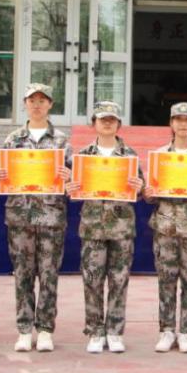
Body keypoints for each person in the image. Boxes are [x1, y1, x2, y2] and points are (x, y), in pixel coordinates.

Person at [0, 83, 72, 353]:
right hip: (21, 217)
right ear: (25, 104)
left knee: (49, 275)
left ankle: (46, 330)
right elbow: (2, 175)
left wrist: (69, 176)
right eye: (32, 100)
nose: (37, 105)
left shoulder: (61, 141)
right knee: (23, 275)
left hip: (51, 217)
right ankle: (25, 329)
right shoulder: (13, 139)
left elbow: (75, 181)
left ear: (50, 104)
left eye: (42, 100)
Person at [66, 101, 144, 354]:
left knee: (119, 280)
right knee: (92, 280)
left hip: (122, 227)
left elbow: (141, 189)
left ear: (119, 124)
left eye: (112, 119)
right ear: (94, 124)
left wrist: (139, 186)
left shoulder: (130, 155)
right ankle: (95, 331)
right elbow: (73, 190)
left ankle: (115, 331)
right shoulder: (83, 157)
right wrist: (70, 188)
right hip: (93, 227)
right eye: (103, 119)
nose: (107, 123)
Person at [143, 102, 187, 354]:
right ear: (171, 123)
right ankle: (166, 330)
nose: (183, 124)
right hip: (165, 227)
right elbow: (149, 194)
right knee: (166, 281)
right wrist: (148, 193)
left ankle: (185, 331)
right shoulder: (159, 156)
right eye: (178, 119)